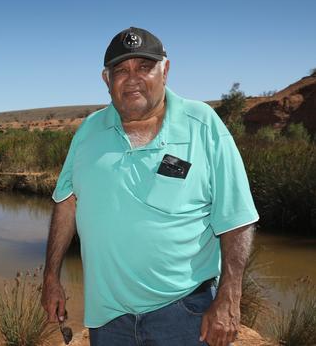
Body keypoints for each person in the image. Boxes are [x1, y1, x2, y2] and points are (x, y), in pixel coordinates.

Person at [41, 27, 259, 346]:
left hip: (185, 314)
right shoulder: (88, 132)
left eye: (144, 67)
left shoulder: (203, 124)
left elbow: (236, 216)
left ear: (165, 70)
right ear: (106, 80)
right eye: (121, 70)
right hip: (107, 318)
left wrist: (230, 295)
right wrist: (51, 277)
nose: (133, 78)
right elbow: (67, 202)